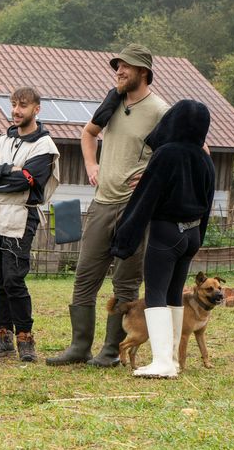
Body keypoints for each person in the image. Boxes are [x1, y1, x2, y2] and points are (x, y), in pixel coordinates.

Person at [46, 44, 169, 367]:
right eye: (117, 66)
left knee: (126, 282)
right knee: (85, 275)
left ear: (143, 71)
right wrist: (91, 165)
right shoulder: (112, 102)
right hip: (102, 202)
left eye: (126, 66)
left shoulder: (159, 110)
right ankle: (79, 347)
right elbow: (88, 134)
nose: (119, 71)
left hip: (135, 207)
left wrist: (152, 176)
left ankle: (111, 351)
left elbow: (194, 147)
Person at [110, 100, 215, 378]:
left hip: (166, 232)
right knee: (174, 294)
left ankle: (162, 362)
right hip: (192, 234)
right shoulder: (205, 158)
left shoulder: (166, 154)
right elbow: (209, 201)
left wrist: (124, 239)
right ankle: (173, 360)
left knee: (156, 292)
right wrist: (197, 239)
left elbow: (146, 197)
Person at [0, 87, 60, 362]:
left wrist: (0, 176)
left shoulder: (44, 146)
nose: (16, 110)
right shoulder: (1, 142)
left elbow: (25, 180)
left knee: (13, 278)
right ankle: (3, 337)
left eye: (22, 105)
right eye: (13, 105)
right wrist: (4, 171)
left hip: (21, 215)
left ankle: (25, 337)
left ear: (36, 109)